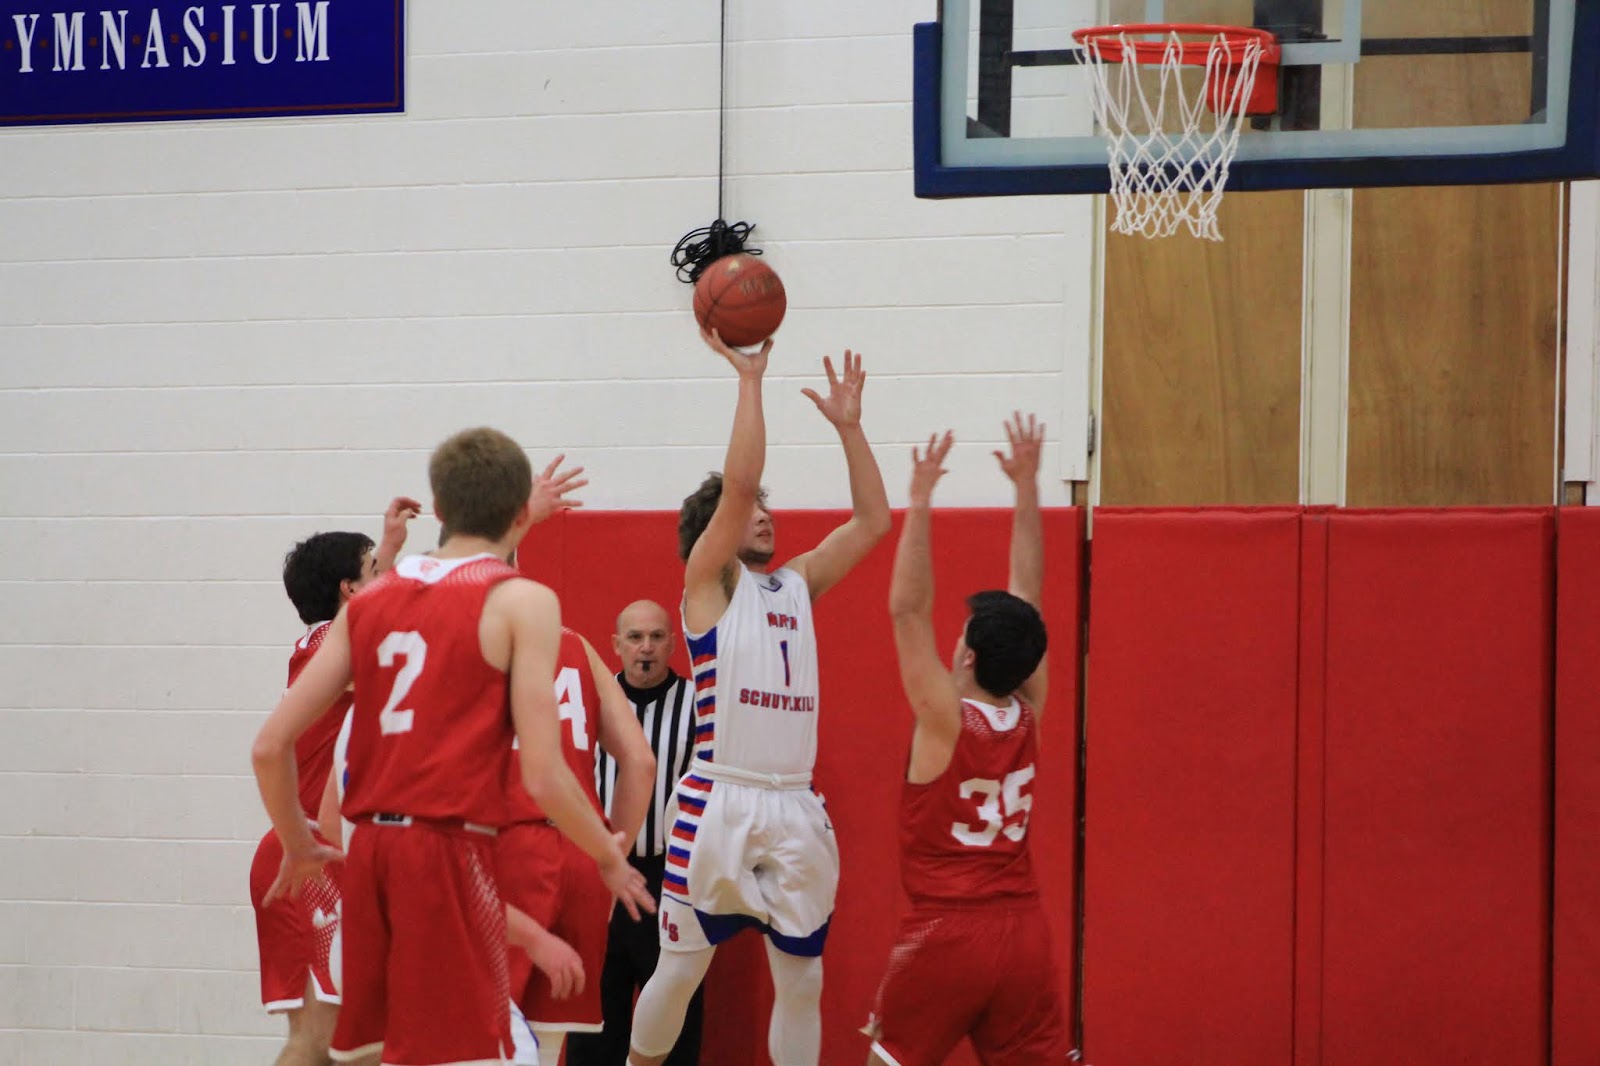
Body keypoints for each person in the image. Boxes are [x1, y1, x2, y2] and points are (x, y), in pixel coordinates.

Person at [251, 426, 653, 1066]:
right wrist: (608, 855)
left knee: (380, 1053)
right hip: (446, 849)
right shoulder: (526, 603)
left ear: (437, 510)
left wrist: (298, 842)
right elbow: (545, 775)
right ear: (521, 513)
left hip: (370, 853)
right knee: (502, 1053)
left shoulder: (369, 603)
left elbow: (269, 747)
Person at [628, 332, 892, 1066]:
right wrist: (751, 381)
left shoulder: (796, 585)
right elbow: (740, 484)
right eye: (750, 513)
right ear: (711, 536)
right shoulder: (708, 585)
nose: (764, 515)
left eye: (768, 510)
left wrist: (850, 429)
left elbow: (873, 523)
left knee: (802, 981)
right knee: (681, 969)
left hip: (796, 804)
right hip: (719, 799)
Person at [863, 413, 1069, 1065]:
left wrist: (919, 502)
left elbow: (906, 610)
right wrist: (1028, 491)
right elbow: (1028, 603)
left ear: (970, 658)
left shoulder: (946, 719)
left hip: (947, 935)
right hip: (1026, 934)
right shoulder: (1031, 710)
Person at [247, 496, 418, 1066]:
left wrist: (386, 550)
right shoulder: (332, 646)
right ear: (351, 589)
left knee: (339, 1044)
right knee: (333, 1044)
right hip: (311, 855)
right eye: (374, 569)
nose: (388, 578)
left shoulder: (323, 647)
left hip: (315, 852)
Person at [498, 623, 658, 1063]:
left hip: (507, 848)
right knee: (546, 1048)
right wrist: (611, 863)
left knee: (479, 1040)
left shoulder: (473, 637)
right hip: (583, 852)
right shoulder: (575, 643)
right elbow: (641, 763)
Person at [569, 600, 705, 1066]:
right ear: (616, 645)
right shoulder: (590, 700)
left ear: (672, 643)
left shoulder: (698, 705)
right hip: (601, 874)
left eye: (656, 637)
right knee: (594, 1020)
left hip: (671, 878)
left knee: (673, 1021)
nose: (645, 648)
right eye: (634, 637)